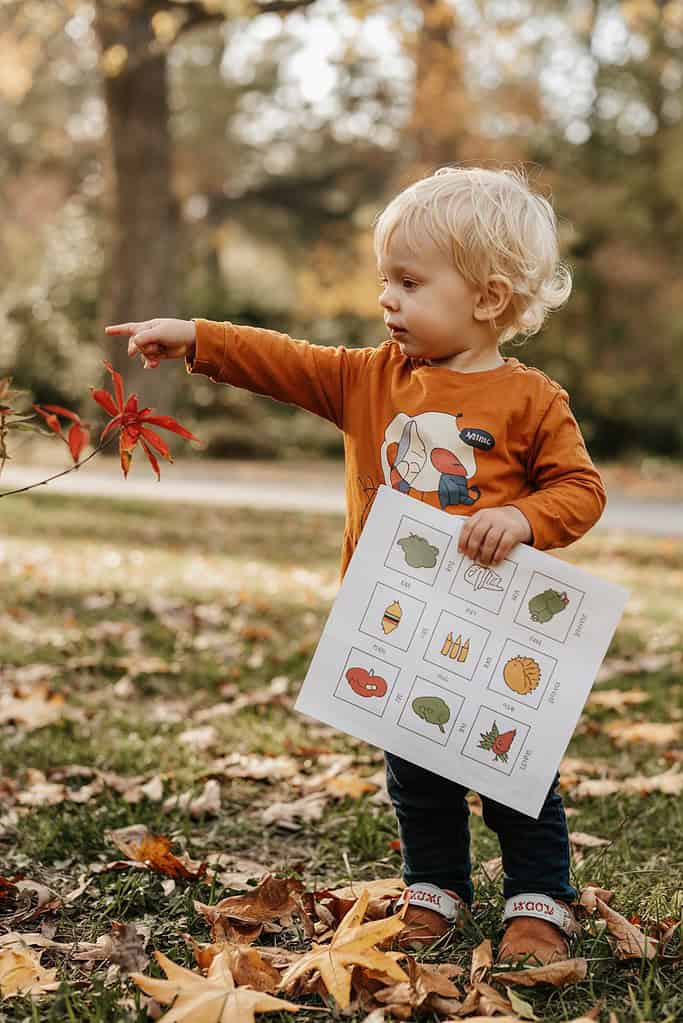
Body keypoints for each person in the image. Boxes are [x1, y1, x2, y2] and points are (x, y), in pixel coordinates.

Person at [105, 164, 605, 963]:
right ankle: (434, 888)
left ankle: (538, 898)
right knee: (414, 773)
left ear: (486, 297)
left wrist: (521, 517)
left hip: (494, 635)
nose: (387, 299)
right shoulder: (369, 379)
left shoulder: (532, 400)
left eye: (409, 281)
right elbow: (285, 359)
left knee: (516, 771)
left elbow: (580, 490)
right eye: (386, 280)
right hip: (397, 628)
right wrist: (199, 337)